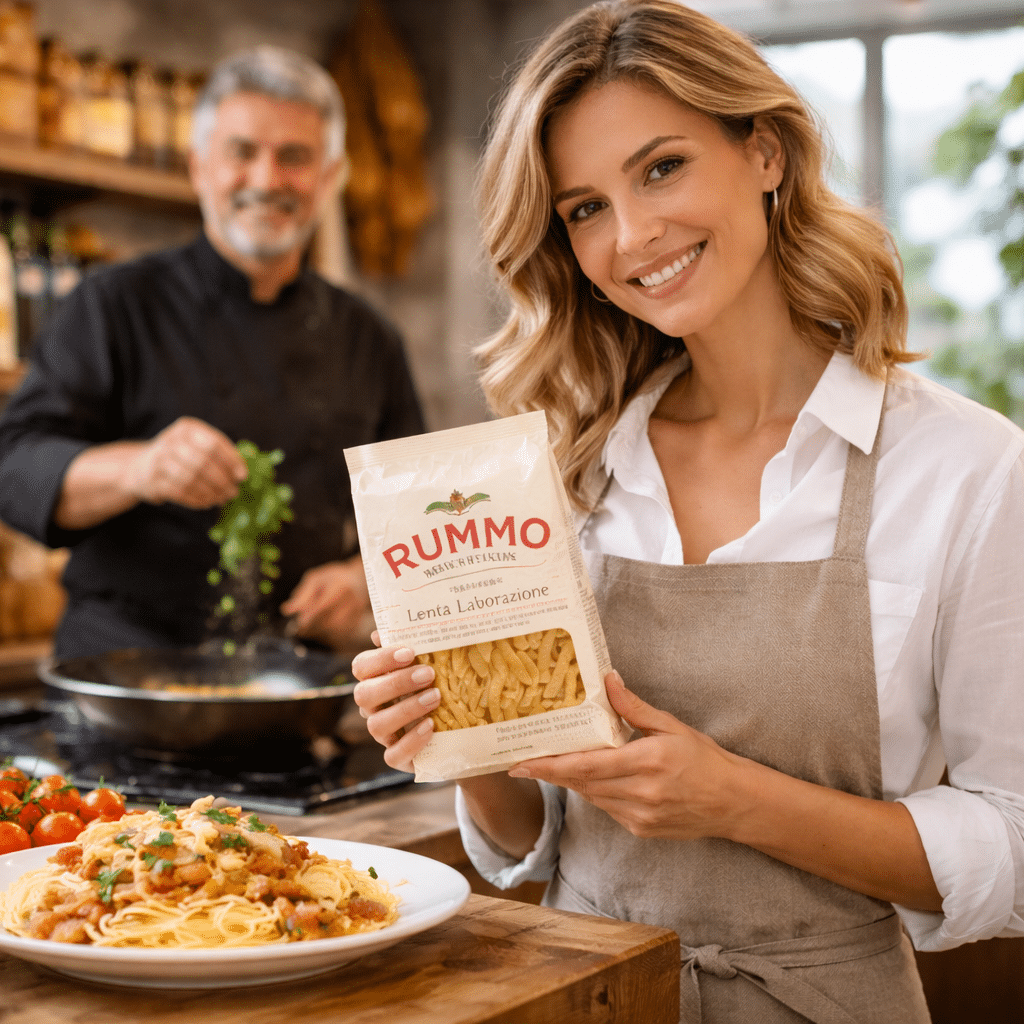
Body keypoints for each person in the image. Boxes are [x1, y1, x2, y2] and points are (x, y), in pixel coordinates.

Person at [349, 2, 1024, 1021]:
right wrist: (455, 740)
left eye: (660, 167)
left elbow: (1010, 841)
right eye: (583, 208)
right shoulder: (568, 472)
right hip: (585, 997)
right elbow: (534, 836)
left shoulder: (964, 468)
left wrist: (733, 800)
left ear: (762, 150)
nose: (632, 236)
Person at [0, 46, 425, 658]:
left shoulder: (369, 336)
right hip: (124, 676)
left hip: (298, 682)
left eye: (295, 158)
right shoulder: (112, 302)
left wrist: (363, 580)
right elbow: (16, 470)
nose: (266, 179)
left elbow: (416, 514)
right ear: (199, 167)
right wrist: (140, 468)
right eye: (242, 152)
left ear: (330, 178)